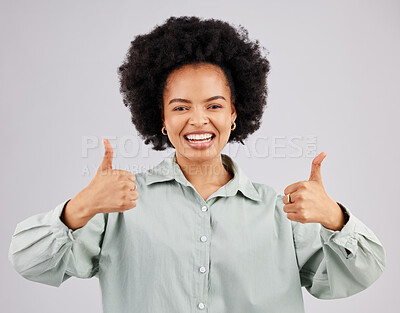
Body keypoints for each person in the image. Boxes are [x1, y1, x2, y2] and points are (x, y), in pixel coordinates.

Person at [9, 16, 386, 313]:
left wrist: (335, 217)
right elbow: (29, 262)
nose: (199, 120)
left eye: (214, 105)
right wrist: (82, 206)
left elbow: (359, 276)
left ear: (235, 113)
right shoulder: (118, 207)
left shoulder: (280, 212)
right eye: (181, 107)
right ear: (161, 117)